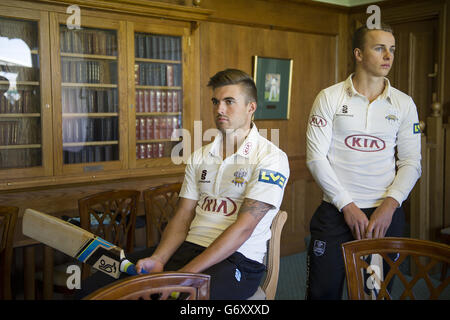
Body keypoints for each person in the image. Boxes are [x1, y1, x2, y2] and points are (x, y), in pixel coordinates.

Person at [77, 69, 290, 300]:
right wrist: (159, 259)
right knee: (96, 286)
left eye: (229, 102)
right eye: (216, 101)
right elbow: (184, 215)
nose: (219, 109)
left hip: (237, 260)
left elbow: (244, 228)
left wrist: (184, 275)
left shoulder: (270, 158)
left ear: (251, 107)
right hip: (189, 248)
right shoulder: (200, 156)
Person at [305, 24, 421, 299]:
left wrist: (390, 206)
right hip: (335, 213)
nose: (388, 56)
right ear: (358, 53)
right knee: (323, 294)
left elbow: (411, 162)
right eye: (379, 48)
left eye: (391, 49)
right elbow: (315, 158)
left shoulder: (404, 104)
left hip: (384, 217)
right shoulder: (329, 97)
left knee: (375, 295)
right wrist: (346, 204)